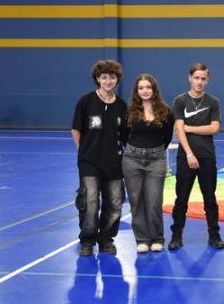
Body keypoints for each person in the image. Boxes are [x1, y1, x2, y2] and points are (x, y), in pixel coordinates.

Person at [71, 59, 127, 256]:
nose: (108, 81)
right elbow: (76, 129)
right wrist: (84, 151)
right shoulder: (86, 102)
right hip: (90, 162)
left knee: (114, 203)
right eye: (104, 77)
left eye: (112, 77)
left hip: (114, 163)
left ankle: (106, 238)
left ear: (117, 80)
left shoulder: (122, 106)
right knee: (90, 202)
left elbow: (125, 136)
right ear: (97, 79)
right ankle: (87, 240)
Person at [168, 63, 222, 251]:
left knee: (210, 199)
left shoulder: (212, 101)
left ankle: (214, 235)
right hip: (186, 158)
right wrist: (189, 153)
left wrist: (189, 128)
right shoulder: (180, 101)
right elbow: (178, 131)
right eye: (196, 78)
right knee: (181, 199)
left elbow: (214, 128)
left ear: (207, 80)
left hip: (207, 157)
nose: (199, 82)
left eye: (203, 78)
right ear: (190, 78)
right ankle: (176, 235)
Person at [122, 74, 174, 253]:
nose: (145, 91)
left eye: (148, 87)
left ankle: (157, 238)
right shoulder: (129, 111)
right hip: (132, 159)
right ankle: (142, 239)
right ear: (137, 91)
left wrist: (155, 150)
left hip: (156, 159)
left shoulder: (165, 111)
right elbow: (123, 136)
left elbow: (166, 137)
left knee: (153, 201)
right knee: (136, 201)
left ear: (154, 89)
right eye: (141, 88)